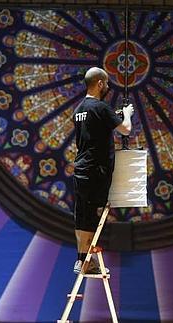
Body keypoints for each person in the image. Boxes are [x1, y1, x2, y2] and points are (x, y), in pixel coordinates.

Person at [72, 67, 133, 274]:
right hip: (96, 170)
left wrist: (111, 117)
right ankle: (87, 263)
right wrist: (127, 115)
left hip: (80, 168)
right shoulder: (101, 107)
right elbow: (126, 129)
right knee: (92, 216)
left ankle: (81, 260)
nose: (107, 87)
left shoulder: (78, 109)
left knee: (81, 215)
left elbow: (94, 129)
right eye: (106, 83)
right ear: (99, 83)